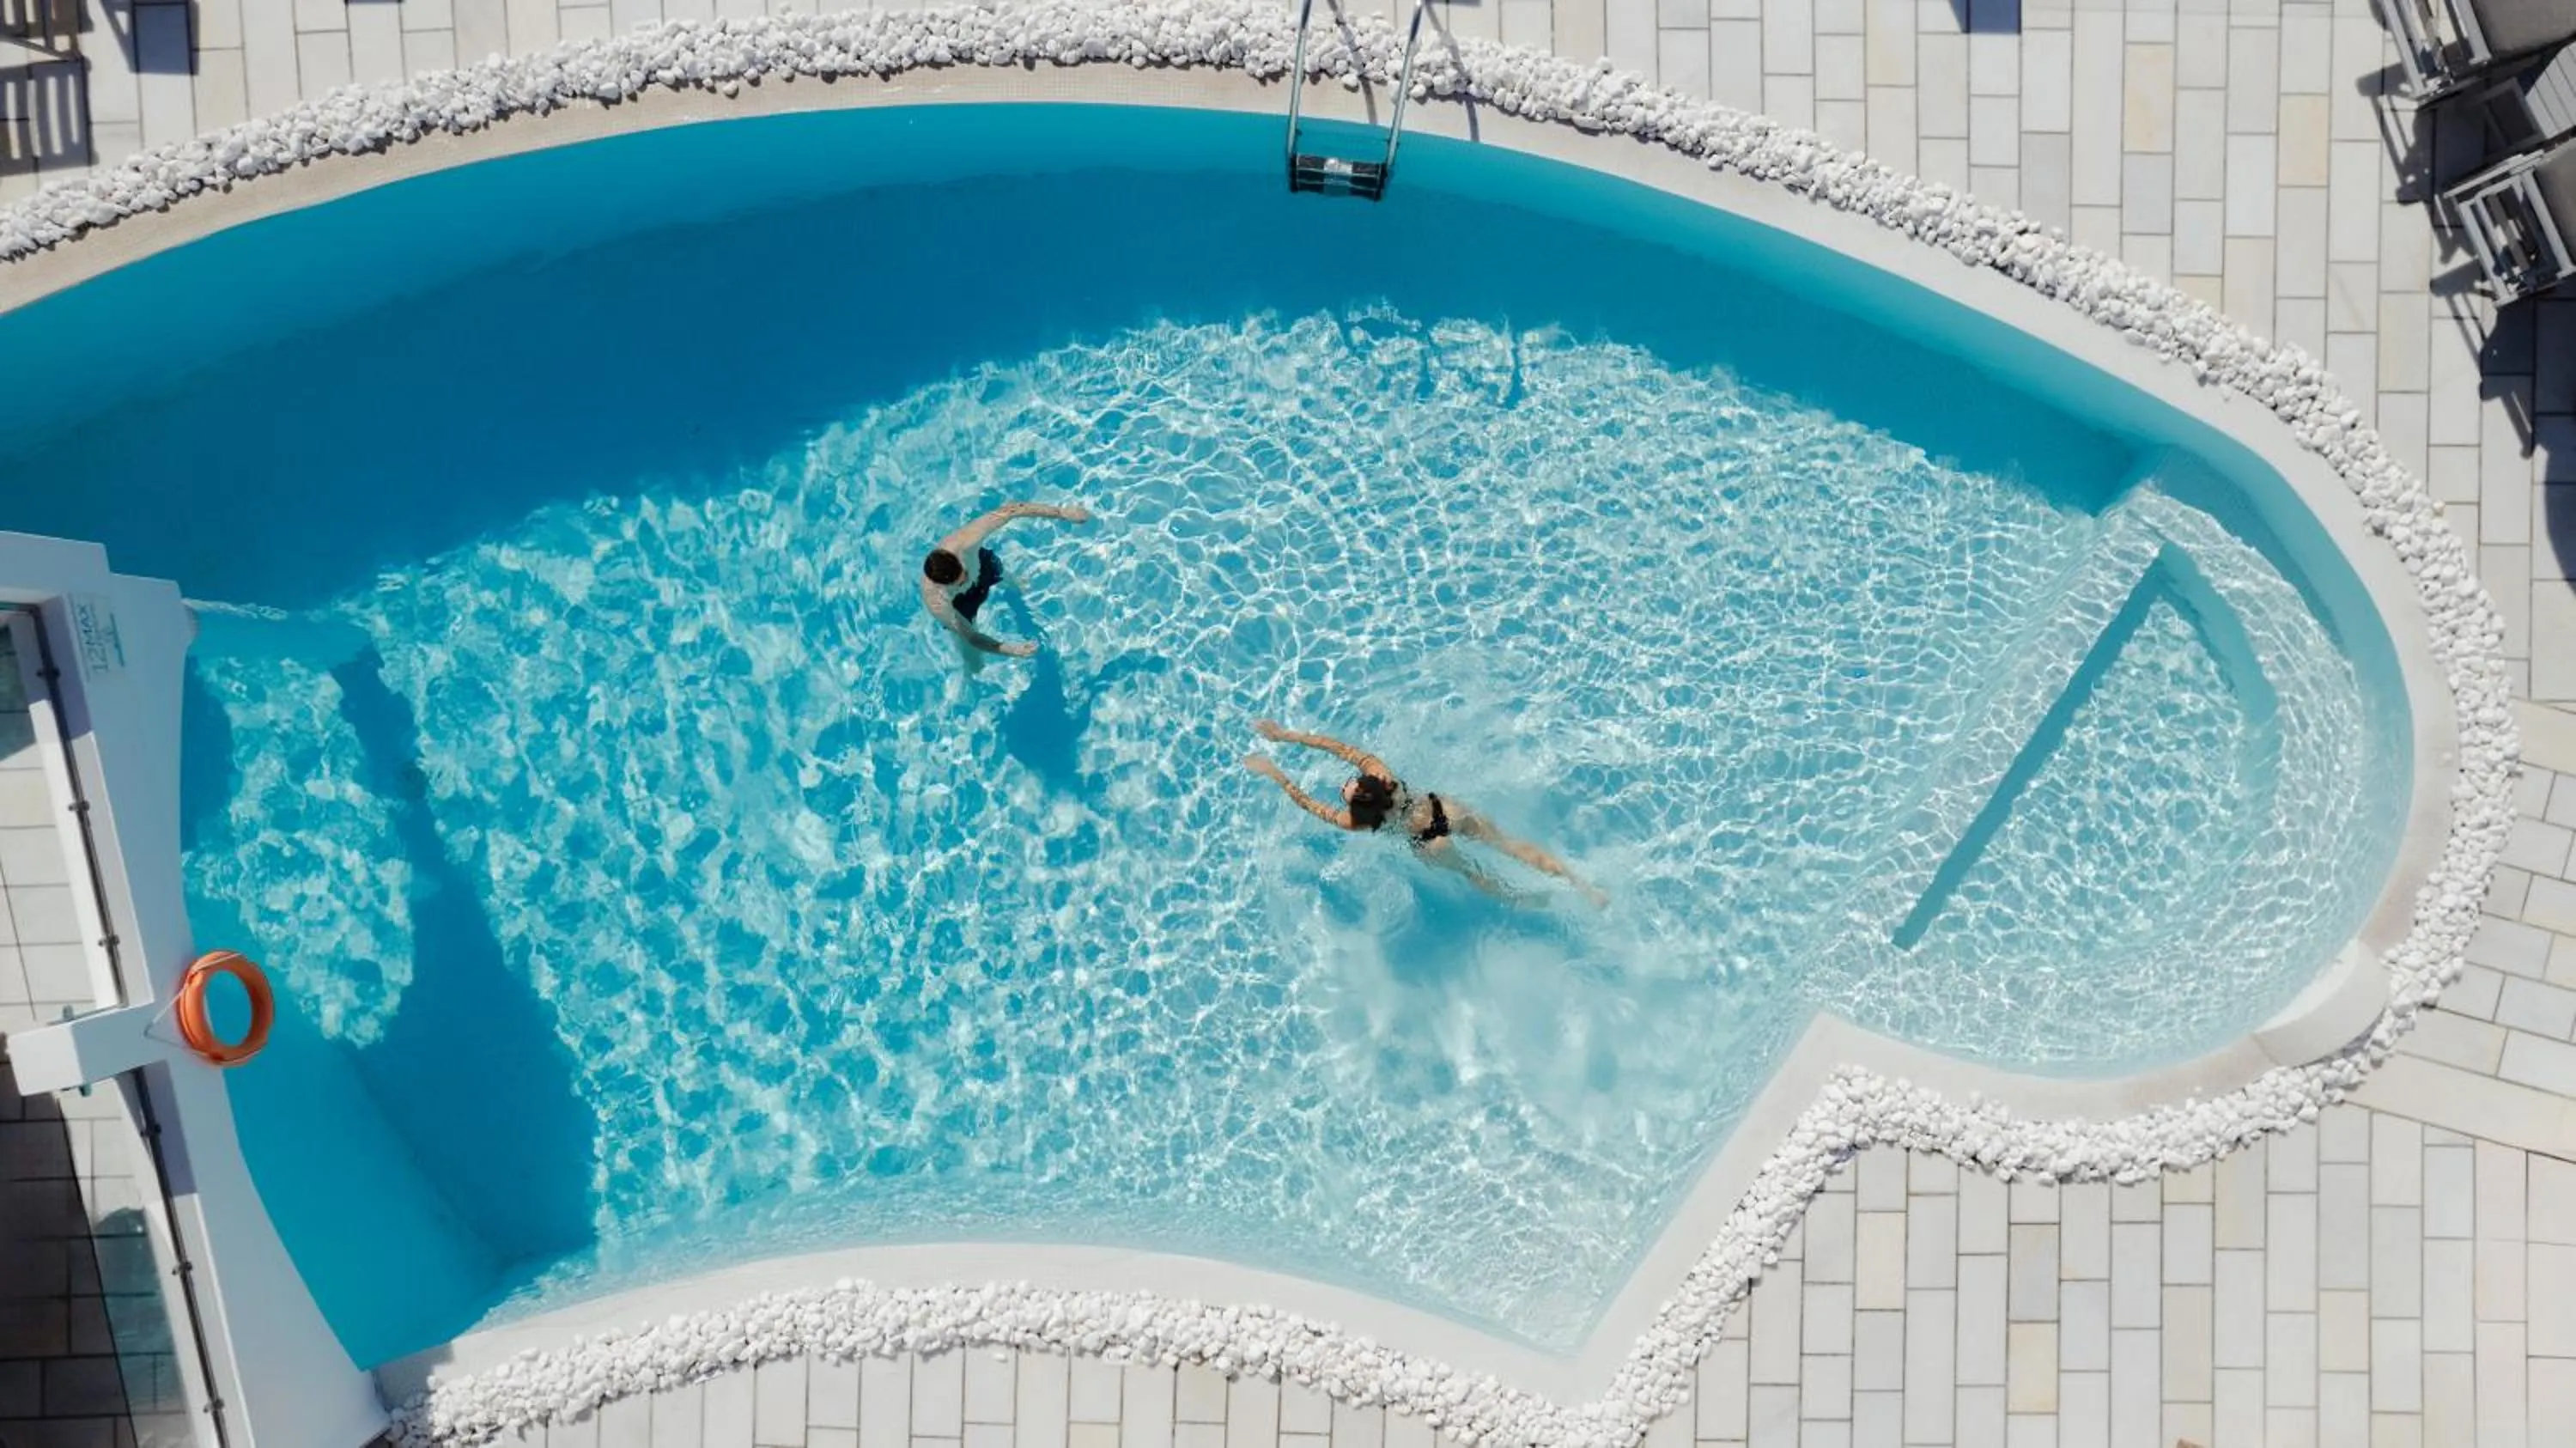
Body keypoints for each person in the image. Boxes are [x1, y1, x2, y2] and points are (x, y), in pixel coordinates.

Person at [1242, 719, 1607, 908]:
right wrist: (1284, 735)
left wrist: (1275, 774)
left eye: (1347, 788)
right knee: (1506, 844)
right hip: (1442, 809)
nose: (1346, 784)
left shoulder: (1357, 822)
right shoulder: (1384, 776)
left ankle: (1520, 900)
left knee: (1472, 872)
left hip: (1429, 844)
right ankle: (1582, 886)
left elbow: (1308, 804)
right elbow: (1339, 748)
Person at [920, 500, 1095, 664]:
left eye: (964, 573)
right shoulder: (936, 601)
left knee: (1010, 581)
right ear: (942, 585)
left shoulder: (964, 542)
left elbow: (1012, 510)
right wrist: (1010, 650)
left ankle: (1014, 586)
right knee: (971, 654)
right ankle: (970, 673)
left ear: (957, 559)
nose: (966, 580)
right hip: (961, 602)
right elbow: (972, 637)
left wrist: (1061, 513)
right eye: (959, 583)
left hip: (982, 567)